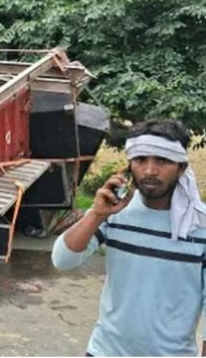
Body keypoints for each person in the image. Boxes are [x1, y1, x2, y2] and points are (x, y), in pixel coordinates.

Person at [52, 118, 206, 356]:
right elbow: (62, 261)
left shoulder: (199, 225)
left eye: (163, 160)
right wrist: (96, 214)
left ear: (182, 167)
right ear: (129, 165)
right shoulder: (114, 213)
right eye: (140, 159)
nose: (150, 171)